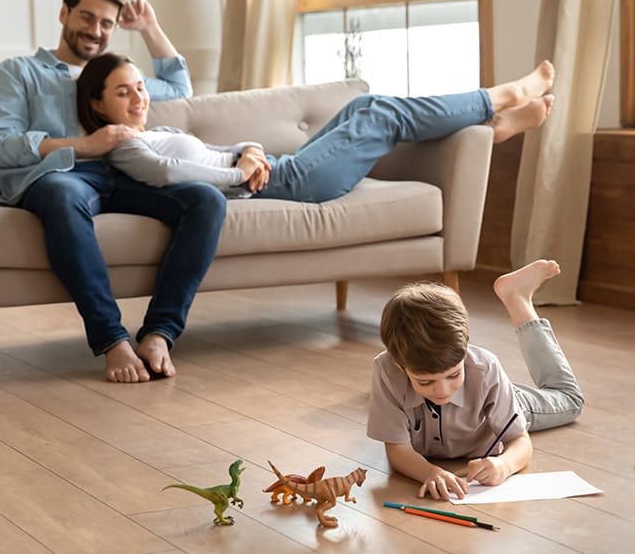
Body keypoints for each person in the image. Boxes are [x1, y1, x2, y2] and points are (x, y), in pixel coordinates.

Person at [0, 0, 227, 384]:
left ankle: (160, 332)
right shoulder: (16, 72)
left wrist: (149, 28)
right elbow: (0, 146)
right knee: (62, 193)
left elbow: (180, 88)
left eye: (107, 23)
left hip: (125, 175)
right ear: (64, 13)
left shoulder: (114, 76)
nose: (96, 31)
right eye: (86, 17)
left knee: (206, 199)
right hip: (60, 175)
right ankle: (112, 339)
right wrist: (84, 145)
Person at [75, 53, 556, 203]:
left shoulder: (148, 131)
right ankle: (500, 99)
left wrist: (249, 149)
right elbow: (174, 176)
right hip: (287, 182)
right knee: (379, 115)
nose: (140, 98)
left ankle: (493, 129)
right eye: (124, 92)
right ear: (98, 104)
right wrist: (242, 174)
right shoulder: (120, 148)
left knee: (364, 103)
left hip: (276, 166)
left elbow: (210, 149)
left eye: (141, 87)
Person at [366, 260, 585, 501]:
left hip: (500, 401)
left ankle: (518, 298)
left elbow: (520, 441)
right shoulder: (386, 370)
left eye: (453, 375)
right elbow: (397, 450)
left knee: (570, 399)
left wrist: (504, 464)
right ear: (400, 366)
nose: (443, 391)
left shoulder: (485, 368)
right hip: (474, 400)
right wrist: (430, 472)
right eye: (426, 382)